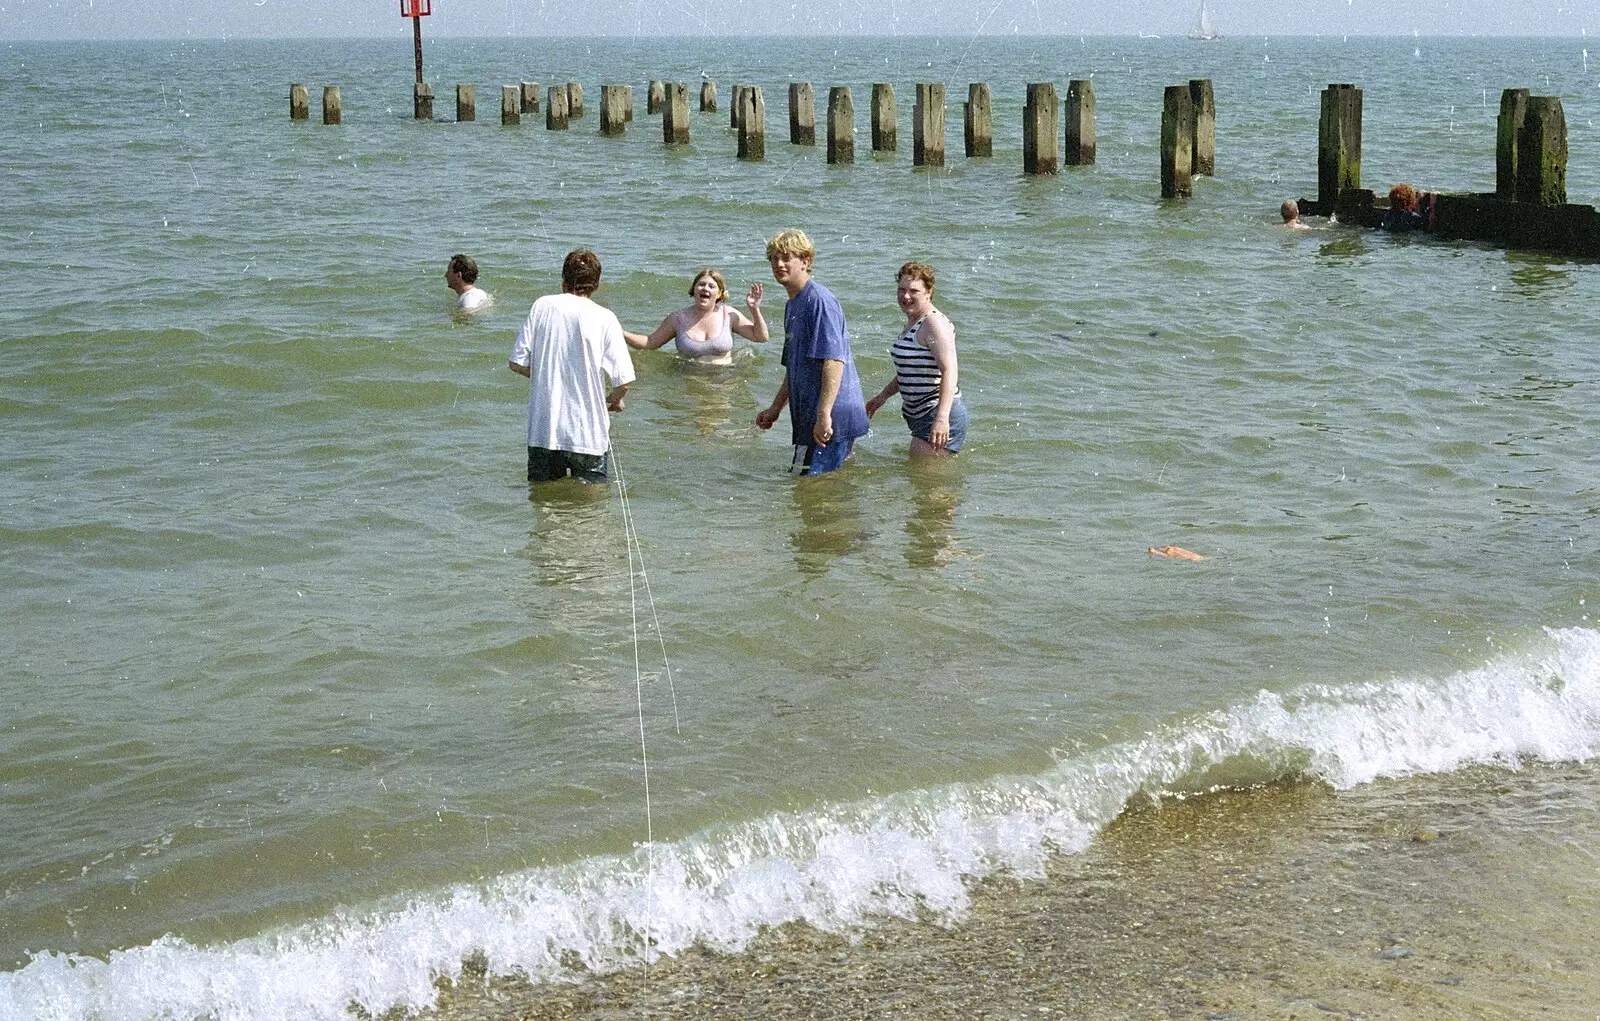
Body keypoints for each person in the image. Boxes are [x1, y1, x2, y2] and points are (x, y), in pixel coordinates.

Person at [507, 249, 635, 484]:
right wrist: (614, 400)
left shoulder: (541, 305)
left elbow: (516, 363)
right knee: (592, 512)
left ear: (563, 280)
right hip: (588, 436)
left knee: (543, 508)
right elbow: (624, 381)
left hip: (543, 433)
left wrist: (549, 375)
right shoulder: (605, 317)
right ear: (596, 284)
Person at [754, 229, 869, 476]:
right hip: (813, 414)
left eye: (786, 257)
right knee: (822, 490)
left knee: (806, 483)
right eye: (774, 258)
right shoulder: (792, 305)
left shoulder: (819, 301)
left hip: (830, 414)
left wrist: (824, 414)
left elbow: (834, 361)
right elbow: (794, 367)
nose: (779, 264)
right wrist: (775, 408)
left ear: (806, 261)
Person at [864, 261, 967, 457]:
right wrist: (882, 397)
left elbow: (949, 370)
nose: (905, 296)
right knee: (924, 483)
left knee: (931, 486)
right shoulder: (914, 322)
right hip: (923, 416)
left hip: (936, 414)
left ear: (929, 292)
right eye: (901, 289)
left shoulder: (933, 322)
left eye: (914, 291)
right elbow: (910, 371)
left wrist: (941, 418)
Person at [623, 269, 769, 365]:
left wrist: (754, 309)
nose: (705, 288)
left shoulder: (729, 315)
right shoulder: (677, 318)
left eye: (711, 286)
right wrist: (621, 333)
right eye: (701, 285)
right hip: (690, 382)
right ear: (694, 289)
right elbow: (650, 343)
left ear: (719, 294)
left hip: (724, 381)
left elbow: (761, 337)